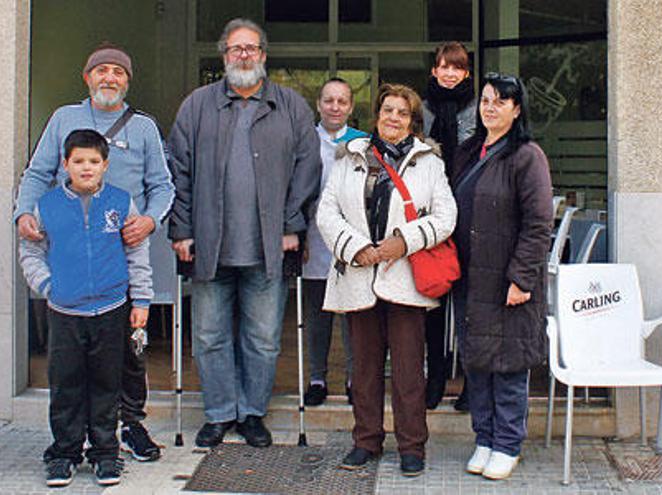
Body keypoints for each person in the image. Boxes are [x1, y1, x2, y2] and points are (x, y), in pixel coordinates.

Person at [14, 43, 172, 463]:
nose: (109, 78)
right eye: (101, 71)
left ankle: (129, 427)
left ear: (127, 80)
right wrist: (21, 215)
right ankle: (78, 438)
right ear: (87, 77)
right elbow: (37, 173)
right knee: (73, 366)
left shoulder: (143, 127)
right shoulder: (64, 119)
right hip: (74, 261)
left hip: (125, 254)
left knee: (126, 356)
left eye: (117, 72)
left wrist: (151, 220)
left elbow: (163, 184)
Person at [167, 18, 321, 449]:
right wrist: (180, 227)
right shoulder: (196, 106)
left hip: (269, 246)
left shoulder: (290, 106)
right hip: (209, 245)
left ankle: (252, 413)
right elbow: (177, 171)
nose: (244, 55)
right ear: (224, 56)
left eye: (251, 48)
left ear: (264, 56)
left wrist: (294, 224)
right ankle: (218, 414)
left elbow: (307, 169)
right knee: (210, 337)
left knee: (264, 338)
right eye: (236, 49)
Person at [317, 83, 457, 477]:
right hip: (358, 274)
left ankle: (412, 447)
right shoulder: (351, 156)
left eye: (402, 112)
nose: (393, 118)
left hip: (405, 277)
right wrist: (354, 247)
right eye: (387, 110)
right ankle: (366, 441)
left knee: (410, 372)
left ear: (413, 121)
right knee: (362, 369)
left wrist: (403, 242)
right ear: (377, 115)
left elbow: (446, 217)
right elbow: (327, 213)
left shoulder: (429, 162)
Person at [19, 129, 153, 487]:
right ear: (66, 164)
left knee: (107, 384)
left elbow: (137, 254)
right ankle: (64, 452)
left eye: (94, 161)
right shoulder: (46, 206)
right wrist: (49, 286)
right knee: (66, 384)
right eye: (78, 161)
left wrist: (140, 299)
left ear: (105, 165)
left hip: (111, 309)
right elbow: (31, 253)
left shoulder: (121, 203)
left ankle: (105, 453)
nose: (86, 167)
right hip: (64, 313)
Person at [450, 74, 553, 480]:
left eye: (500, 101)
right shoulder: (469, 152)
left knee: (508, 364)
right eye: (486, 100)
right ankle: (485, 438)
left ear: (517, 109)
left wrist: (522, 279)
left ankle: (508, 444)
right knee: (478, 361)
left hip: (508, 280)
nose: (490, 107)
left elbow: (539, 223)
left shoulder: (527, 156)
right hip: (471, 277)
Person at [302, 77, 368, 407]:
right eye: (329, 100)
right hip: (315, 241)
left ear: (351, 107)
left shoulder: (364, 143)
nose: (335, 107)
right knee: (317, 315)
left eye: (342, 101)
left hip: (352, 241)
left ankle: (354, 378)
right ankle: (317, 378)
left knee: (351, 315)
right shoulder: (305, 142)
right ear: (319, 104)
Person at [421, 41, 477, 410]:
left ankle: (472, 384)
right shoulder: (422, 109)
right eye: (445, 66)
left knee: (470, 306)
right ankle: (435, 379)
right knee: (433, 302)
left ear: (466, 73)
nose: (451, 73)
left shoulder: (478, 107)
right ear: (435, 70)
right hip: (432, 215)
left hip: (471, 212)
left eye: (457, 67)